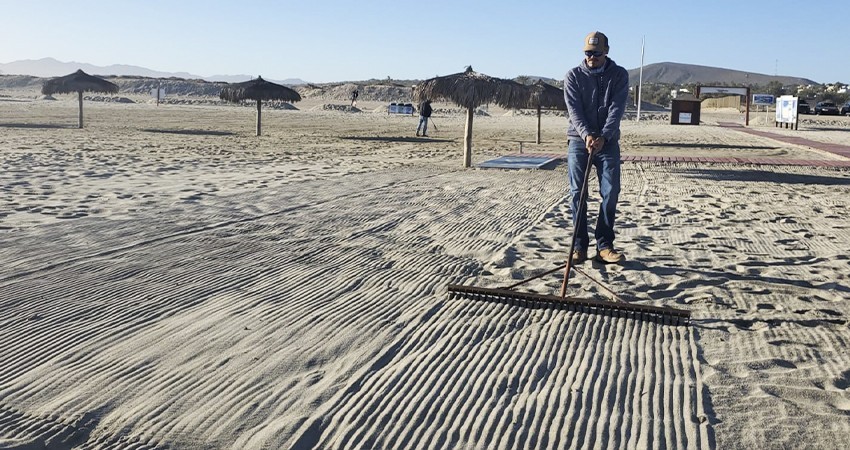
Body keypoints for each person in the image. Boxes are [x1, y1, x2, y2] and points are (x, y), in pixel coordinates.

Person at [563, 31, 629, 264]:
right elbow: (574, 111)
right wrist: (587, 135)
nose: (592, 57)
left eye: (597, 53)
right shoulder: (572, 76)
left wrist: (604, 136)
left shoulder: (619, 75)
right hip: (578, 141)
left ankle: (604, 245)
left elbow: (616, 109)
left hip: (608, 142)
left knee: (611, 192)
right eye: (588, 53)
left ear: (607, 51)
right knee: (577, 193)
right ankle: (579, 246)